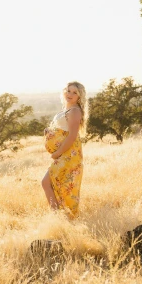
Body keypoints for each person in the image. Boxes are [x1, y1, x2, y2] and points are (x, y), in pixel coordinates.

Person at [41, 82, 88, 218]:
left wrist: (57, 153)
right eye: (68, 91)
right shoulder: (67, 109)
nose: (70, 94)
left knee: (48, 182)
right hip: (65, 153)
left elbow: (72, 136)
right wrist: (50, 132)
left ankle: (58, 217)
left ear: (79, 97)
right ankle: (59, 218)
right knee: (56, 183)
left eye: (75, 93)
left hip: (69, 155)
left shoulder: (75, 111)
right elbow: (64, 130)